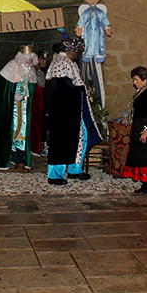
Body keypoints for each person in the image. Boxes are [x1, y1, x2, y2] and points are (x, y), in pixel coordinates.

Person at [45, 37, 103, 185]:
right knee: (61, 141)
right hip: (63, 112)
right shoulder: (60, 62)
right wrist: (79, 89)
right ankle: (55, 175)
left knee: (80, 138)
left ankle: (74, 169)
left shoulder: (69, 62)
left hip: (74, 109)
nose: (79, 54)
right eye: (78, 51)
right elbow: (61, 89)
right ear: (71, 50)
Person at [0, 46, 39, 172]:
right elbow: (3, 88)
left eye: (31, 59)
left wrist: (27, 95)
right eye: (27, 59)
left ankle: (19, 159)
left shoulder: (30, 70)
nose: (29, 62)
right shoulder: (11, 67)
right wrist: (12, 96)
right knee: (10, 132)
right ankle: (6, 157)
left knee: (22, 134)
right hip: (11, 108)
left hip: (24, 108)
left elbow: (31, 88)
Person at [74, 0, 112, 64]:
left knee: (99, 42)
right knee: (88, 42)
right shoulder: (86, 12)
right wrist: (79, 28)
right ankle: (87, 53)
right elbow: (82, 20)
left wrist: (107, 28)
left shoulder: (101, 12)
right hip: (88, 32)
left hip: (98, 32)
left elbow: (105, 20)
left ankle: (99, 54)